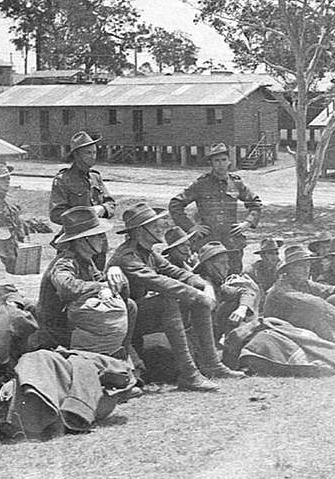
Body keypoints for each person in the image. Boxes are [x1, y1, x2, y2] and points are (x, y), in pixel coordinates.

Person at [108, 202, 231, 391]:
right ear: (140, 231)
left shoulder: (147, 253)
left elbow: (178, 273)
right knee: (169, 301)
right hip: (124, 321)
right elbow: (161, 282)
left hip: (137, 314)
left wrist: (205, 286)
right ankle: (189, 375)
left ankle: (212, 364)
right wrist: (198, 294)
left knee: (195, 302)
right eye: (153, 225)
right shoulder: (128, 257)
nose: (160, 228)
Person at [34, 207, 136, 362]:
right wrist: (103, 287)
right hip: (59, 331)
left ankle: (120, 356)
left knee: (129, 306)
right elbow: (68, 287)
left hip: (76, 324)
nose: (103, 239)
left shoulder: (87, 261)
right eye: (98, 236)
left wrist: (116, 274)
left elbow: (107, 284)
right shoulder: (65, 263)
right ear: (82, 240)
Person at [262, 245, 335, 356]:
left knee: (322, 314)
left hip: (296, 325)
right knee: (316, 317)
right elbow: (316, 303)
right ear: (289, 270)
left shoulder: (304, 283)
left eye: (307, 265)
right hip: (278, 328)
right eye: (301, 266)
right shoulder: (282, 289)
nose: (306, 270)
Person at [168, 143, 263, 274]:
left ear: (229, 161)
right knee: (207, 277)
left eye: (224, 160)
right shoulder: (201, 184)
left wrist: (247, 223)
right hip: (208, 242)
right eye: (216, 161)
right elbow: (175, 204)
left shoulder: (236, 183)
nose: (221, 164)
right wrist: (191, 228)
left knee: (233, 276)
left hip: (231, 242)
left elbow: (255, 203)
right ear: (211, 163)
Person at [50, 131, 116, 269]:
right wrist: (85, 215)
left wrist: (102, 209)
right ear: (77, 155)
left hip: (98, 239)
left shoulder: (95, 177)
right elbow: (56, 214)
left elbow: (111, 204)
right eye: (88, 153)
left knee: (98, 278)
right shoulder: (63, 179)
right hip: (75, 242)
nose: (93, 157)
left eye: (94, 153)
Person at [193, 241, 260, 344]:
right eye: (222, 263)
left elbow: (246, 292)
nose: (227, 267)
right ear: (208, 266)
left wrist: (242, 308)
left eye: (227, 262)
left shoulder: (217, 285)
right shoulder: (198, 285)